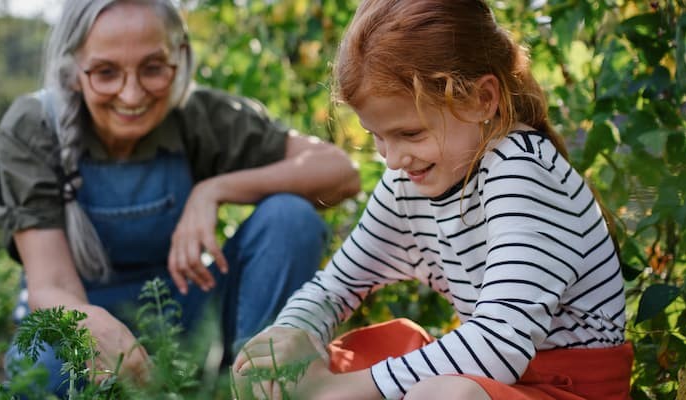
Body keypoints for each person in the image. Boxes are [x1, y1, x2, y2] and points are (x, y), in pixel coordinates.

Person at [233, 0, 632, 398]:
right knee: (283, 370)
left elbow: (499, 344)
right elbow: (334, 287)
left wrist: (338, 390)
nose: (392, 160)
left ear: (481, 100)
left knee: (444, 396)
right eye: (377, 136)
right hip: (494, 380)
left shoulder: (523, 173)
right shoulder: (411, 183)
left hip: (564, 390)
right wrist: (290, 336)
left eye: (410, 134)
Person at [0, 0, 360, 395]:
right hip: (78, 318)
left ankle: (256, 383)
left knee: (290, 217)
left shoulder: (199, 116)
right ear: (73, 70)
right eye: (106, 73)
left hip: (185, 315)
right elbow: (52, 283)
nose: (131, 96)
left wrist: (213, 191)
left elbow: (340, 172)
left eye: (152, 68)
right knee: (45, 368)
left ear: (179, 59)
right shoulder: (33, 126)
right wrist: (95, 328)